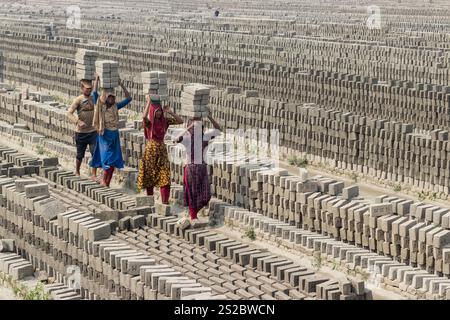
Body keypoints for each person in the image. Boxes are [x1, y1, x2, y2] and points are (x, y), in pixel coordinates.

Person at [173, 114, 222, 228]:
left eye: (198, 126)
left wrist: (209, 117)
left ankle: (193, 215)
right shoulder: (187, 138)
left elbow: (218, 129)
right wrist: (187, 129)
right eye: (194, 127)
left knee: (205, 195)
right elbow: (175, 140)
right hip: (190, 168)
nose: (196, 129)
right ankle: (193, 217)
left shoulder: (205, 137)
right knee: (192, 194)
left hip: (201, 168)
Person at [137, 94, 183, 203]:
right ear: (152, 112)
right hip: (151, 150)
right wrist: (149, 102)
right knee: (150, 174)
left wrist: (170, 112)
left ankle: (165, 201)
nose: (159, 113)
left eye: (160, 111)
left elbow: (180, 121)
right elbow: (143, 117)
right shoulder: (149, 123)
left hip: (162, 150)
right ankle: (150, 199)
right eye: (156, 111)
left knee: (165, 175)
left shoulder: (165, 121)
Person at [90, 79, 132, 187]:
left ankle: (107, 182)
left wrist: (122, 85)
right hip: (104, 135)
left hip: (114, 135)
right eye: (109, 97)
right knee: (107, 159)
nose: (112, 99)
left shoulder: (116, 107)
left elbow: (129, 98)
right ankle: (104, 180)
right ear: (106, 97)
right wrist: (97, 80)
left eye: (113, 97)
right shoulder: (100, 106)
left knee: (113, 160)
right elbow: (94, 93)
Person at [67, 75, 100, 180]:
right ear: (82, 89)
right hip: (81, 132)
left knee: (94, 152)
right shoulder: (78, 100)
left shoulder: (94, 97)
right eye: (87, 89)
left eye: (90, 89)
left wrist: (97, 80)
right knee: (80, 154)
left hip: (93, 131)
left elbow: (99, 95)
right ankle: (77, 170)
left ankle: (94, 174)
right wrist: (78, 121)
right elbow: (69, 113)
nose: (89, 90)